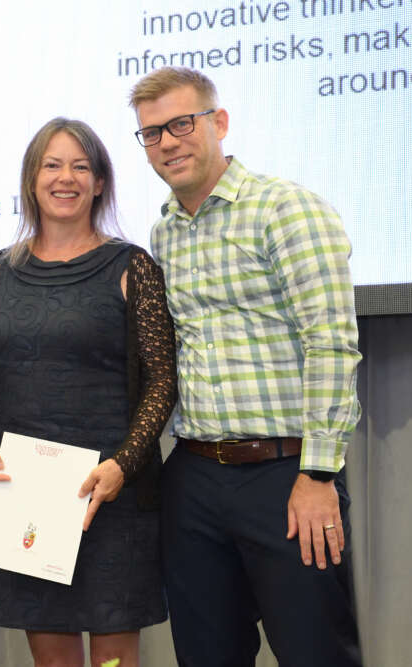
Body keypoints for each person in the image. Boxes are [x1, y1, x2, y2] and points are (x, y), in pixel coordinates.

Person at [129, 66, 363, 666]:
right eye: (152, 133)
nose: (168, 142)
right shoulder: (165, 233)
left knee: (316, 652)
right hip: (195, 477)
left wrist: (318, 476)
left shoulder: (286, 209)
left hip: (287, 476)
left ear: (220, 122)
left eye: (182, 124)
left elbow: (331, 344)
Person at [0, 117, 177, 667]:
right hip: (26, 494)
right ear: (32, 179)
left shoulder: (133, 266)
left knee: (114, 660)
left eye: (81, 166)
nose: (66, 177)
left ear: (100, 182)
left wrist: (124, 464)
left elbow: (162, 380)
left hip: (109, 493)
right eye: (52, 165)